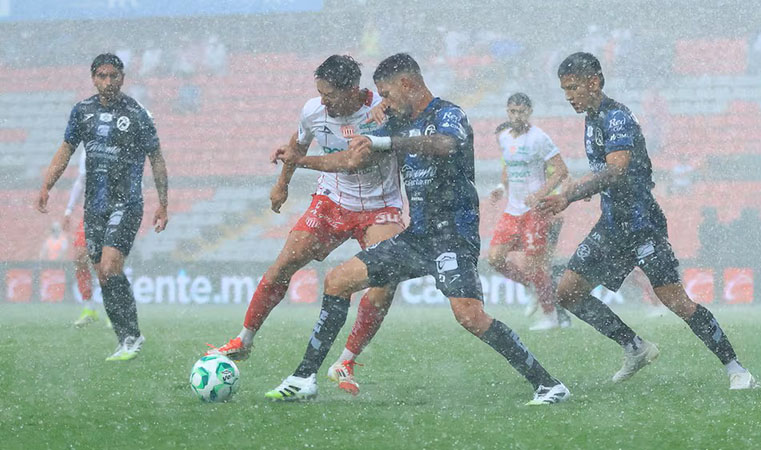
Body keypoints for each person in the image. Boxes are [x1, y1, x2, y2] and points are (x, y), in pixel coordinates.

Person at [271, 53, 569, 405]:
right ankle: (305, 377)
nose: (383, 101)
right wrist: (300, 160)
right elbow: (354, 158)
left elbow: (445, 145)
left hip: (453, 237)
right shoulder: (395, 121)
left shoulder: (448, 114)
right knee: (337, 280)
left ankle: (549, 385)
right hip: (417, 236)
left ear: (407, 84)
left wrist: (385, 140)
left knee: (470, 316)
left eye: (387, 93)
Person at [538, 52, 755, 389]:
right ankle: (635, 347)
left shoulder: (617, 118)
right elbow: (608, 174)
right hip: (612, 226)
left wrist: (571, 193)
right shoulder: (592, 119)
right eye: (565, 89)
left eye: (573, 87)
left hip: (641, 225)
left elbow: (617, 168)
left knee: (675, 301)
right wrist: (580, 187)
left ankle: (736, 369)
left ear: (593, 82)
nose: (568, 96)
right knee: (567, 292)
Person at [206, 55, 404, 396]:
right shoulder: (313, 110)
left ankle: (346, 360)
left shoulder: (381, 111)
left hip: (379, 206)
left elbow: (350, 161)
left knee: (386, 282)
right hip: (332, 201)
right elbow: (298, 143)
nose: (323, 101)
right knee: (284, 263)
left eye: (329, 95)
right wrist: (282, 183)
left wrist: (300, 162)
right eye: (320, 93)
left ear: (353, 90)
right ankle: (244, 339)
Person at [36, 53, 169, 361]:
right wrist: (47, 185)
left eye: (113, 76)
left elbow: (157, 158)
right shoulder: (81, 112)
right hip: (94, 207)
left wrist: (163, 203)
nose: (108, 82)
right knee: (103, 274)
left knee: (110, 266)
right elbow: (65, 151)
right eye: (102, 76)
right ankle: (125, 338)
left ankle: (133, 336)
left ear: (122, 78)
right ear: (93, 78)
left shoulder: (136, 113)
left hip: (127, 202)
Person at [487, 93, 571, 331]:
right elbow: (509, 168)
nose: (517, 116)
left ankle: (551, 317)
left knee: (536, 266)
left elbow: (561, 171)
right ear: (507, 111)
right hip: (512, 211)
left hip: (536, 211)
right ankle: (532, 288)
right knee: (494, 258)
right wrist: (501, 188)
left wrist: (541, 194)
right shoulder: (503, 137)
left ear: (529, 112)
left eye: (521, 111)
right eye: (513, 111)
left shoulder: (539, 138)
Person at [62, 147, 108, 327]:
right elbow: (81, 181)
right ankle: (89, 308)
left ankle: (115, 311)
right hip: (92, 212)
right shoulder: (89, 148)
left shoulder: (121, 140)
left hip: (116, 212)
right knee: (80, 257)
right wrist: (68, 210)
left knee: (108, 264)